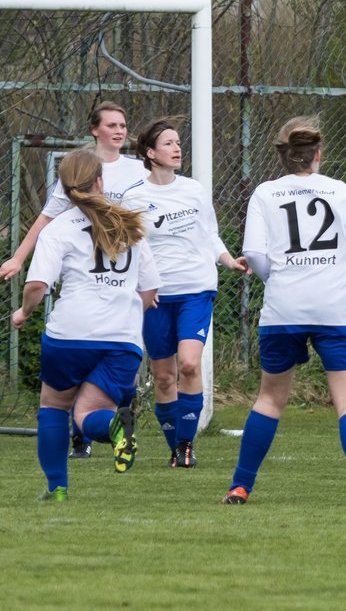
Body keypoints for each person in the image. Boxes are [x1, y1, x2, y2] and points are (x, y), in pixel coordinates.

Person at [223, 116, 346, 506]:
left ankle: (240, 486)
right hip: (335, 307)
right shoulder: (338, 190)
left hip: (284, 309)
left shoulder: (265, 194)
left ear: (283, 156)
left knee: (269, 399)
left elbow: (257, 256)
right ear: (318, 154)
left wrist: (277, 282)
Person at [10, 149, 159, 501]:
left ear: (63, 186)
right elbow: (150, 288)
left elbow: (36, 286)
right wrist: (124, 311)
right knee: (89, 411)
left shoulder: (58, 228)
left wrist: (25, 312)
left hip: (70, 335)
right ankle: (113, 427)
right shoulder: (131, 224)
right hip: (123, 339)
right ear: (99, 181)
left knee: (54, 407)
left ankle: (57, 488)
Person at [1, 101, 146, 460]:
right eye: (111, 124)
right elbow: (47, 219)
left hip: (117, 288)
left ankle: (63, 473)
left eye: (123, 124)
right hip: (96, 290)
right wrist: (19, 257)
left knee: (70, 377)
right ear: (94, 129)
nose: (119, 130)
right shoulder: (77, 171)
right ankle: (88, 434)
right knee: (95, 367)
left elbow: (149, 223)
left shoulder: (137, 172)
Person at [126, 117, 250, 469]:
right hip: (156, 297)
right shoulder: (134, 198)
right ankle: (174, 450)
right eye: (168, 143)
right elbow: (129, 249)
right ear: (150, 153)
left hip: (196, 289)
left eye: (178, 142)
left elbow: (209, 235)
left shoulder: (194, 190)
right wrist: (140, 290)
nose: (177, 148)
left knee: (190, 365)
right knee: (163, 376)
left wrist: (229, 261)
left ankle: (186, 446)